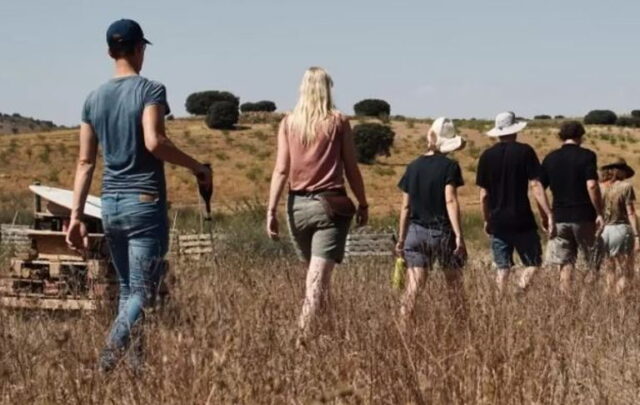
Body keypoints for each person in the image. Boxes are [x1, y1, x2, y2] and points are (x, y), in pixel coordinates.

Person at [66, 19, 212, 373]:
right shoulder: (151, 90)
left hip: (110, 205)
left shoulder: (92, 99)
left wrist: (75, 216)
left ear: (109, 52)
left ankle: (136, 371)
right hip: (144, 203)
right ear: (139, 49)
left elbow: (85, 162)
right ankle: (103, 364)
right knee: (143, 294)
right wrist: (196, 167)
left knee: (128, 291)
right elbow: (154, 141)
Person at [266, 67, 368, 343]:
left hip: (296, 207)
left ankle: (330, 340)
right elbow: (351, 167)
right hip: (329, 206)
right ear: (327, 89)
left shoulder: (288, 123)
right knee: (316, 284)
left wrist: (271, 210)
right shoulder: (338, 122)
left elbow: (281, 169)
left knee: (317, 281)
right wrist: (363, 203)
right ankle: (300, 342)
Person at [395, 117, 467, 325]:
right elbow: (450, 200)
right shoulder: (450, 166)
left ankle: (402, 328)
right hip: (442, 232)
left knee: (413, 288)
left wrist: (401, 239)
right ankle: (462, 328)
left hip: (415, 233)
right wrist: (459, 236)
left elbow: (405, 207)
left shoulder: (412, 167)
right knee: (454, 286)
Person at [476, 112, 555, 293]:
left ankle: (500, 300)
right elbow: (535, 185)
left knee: (502, 267)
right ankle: (520, 290)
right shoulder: (525, 151)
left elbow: (484, 195)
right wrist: (548, 214)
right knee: (533, 262)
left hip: (497, 219)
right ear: (515, 130)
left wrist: (487, 219)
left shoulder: (486, 156)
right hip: (522, 218)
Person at [540, 121, 604, 294]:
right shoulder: (587, 156)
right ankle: (586, 298)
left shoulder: (550, 158)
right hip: (584, 215)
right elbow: (592, 185)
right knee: (592, 261)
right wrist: (599, 212)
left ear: (561, 136)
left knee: (565, 264)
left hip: (560, 217)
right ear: (581, 136)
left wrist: (546, 215)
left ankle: (566, 302)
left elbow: (538, 189)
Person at [599, 158, 639, 295]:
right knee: (625, 271)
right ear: (619, 171)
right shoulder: (625, 187)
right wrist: (637, 235)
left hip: (604, 231)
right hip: (621, 229)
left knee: (609, 270)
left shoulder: (600, 187)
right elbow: (631, 212)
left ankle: (608, 300)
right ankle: (619, 301)